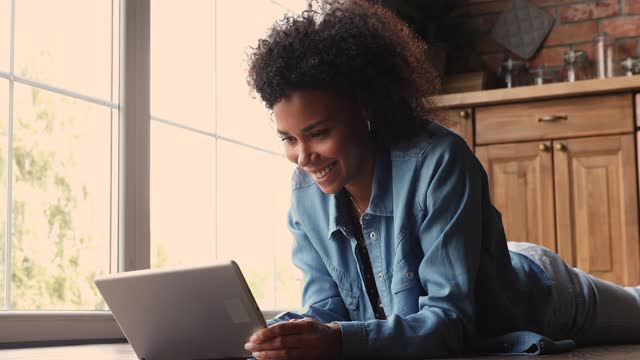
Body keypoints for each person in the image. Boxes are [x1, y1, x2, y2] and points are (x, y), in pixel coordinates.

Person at [243, 1, 640, 359]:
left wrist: (340, 340)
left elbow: (450, 322)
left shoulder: (438, 160)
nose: (303, 156)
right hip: (475, 257)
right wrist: (289, 337)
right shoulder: (304, 193)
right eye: (288, 139)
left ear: (364, 108)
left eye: (318, 133)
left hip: (538, 293)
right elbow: (327, 309)